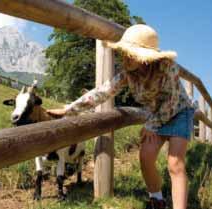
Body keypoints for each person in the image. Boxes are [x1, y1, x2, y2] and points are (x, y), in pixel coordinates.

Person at [47, 24, 194, 209]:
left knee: (175, 163)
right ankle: (157, 201)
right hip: (156, 117)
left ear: (144, 56)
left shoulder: (167, 67)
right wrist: (69, 109)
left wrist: (151, 124)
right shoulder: (128, 74)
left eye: (130, 53)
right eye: (124, 52)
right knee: (146, 157)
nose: (125, 57)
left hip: (180, 113)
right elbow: (102, 92)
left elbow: (171, 101)